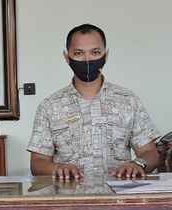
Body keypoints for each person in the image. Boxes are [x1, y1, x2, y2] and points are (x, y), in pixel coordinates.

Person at [27, 24, 161, 184]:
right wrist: (57, 168)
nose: (88, 59)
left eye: (95, 52)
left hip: (119, 199)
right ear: (66, 57)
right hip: (69, 198)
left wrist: (138, 164)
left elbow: (149, 152)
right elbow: (37, 162)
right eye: (78, 53)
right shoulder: (50, 106)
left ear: (106, 55)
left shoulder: (128, 100)